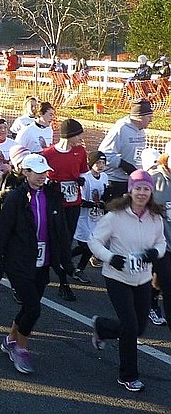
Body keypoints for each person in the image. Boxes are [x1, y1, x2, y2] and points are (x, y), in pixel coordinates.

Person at [0, 154, 74, 375]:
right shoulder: (16, 198)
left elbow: (61, 230)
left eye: (44, 172)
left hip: (43, 261)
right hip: (19, 260)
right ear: (25, 173)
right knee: (34, 308)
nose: (42, 177)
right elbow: (2, 230)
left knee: (29, 305)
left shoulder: (53, 196)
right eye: (37, 172)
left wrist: (66, 261)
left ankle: (10, 340)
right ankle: (21, 349)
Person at [88, 170, 165, 392]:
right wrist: (111, 258)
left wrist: (154, 253)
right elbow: (94, 242)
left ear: (151, 192)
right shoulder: (115, 217)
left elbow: (160, 242)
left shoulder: (155, 217)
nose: (142, 193)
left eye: (146, 189)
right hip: (117, 277)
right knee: (130, 326)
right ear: (130, 190)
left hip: (142, 279)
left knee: (139, 327)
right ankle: (128, 376)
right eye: (138, 188)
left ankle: (101, 327)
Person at [41, 119, 89, 302]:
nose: (81, 138)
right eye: (78, 134)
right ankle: (61, 278)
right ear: (69, 135)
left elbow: (83, 172)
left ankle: (64, 273)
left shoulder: (80, 151)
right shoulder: (48, 154)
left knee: (68, 239)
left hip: (73, 203)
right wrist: (50, 184)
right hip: (56, 204)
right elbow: (40, 176)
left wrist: (81, 181)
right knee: (56, 239)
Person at [98, 99, 152, 203]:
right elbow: (104, 154)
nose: (151, 121)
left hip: (132, 181)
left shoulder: (141, 131)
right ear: (140, 117)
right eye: (149, 117)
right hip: (116, 181)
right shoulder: (121, 129)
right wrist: (123, 165)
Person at [71, 151, 108, 284]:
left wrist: (105, 202)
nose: (101, 165)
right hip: (84, 217)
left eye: (103, 163)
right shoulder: (85, 178)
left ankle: (66, 259)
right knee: (88, 245)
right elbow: (80, 200)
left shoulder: (104, 177)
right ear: (91, 163)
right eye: (98, 162)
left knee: (90, 245)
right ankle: (77, 267)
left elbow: (105, 194)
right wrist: (95, 204)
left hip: (96, 218)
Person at [149, 143, 171, 330]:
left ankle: (150, 303)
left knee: (160, 280)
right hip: (160, 244)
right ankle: (153, 305)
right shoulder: (154, 180)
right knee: (166, 283)